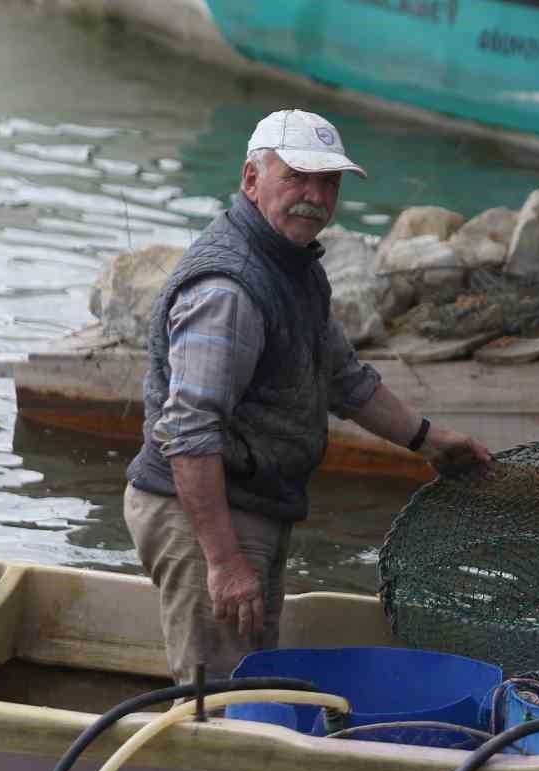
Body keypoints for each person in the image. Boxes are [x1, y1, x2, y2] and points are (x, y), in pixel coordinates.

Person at [124, 108, 492, 684]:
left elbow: (344, 378)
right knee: (218, 698)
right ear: (251, 178)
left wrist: (429, 441)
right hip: (202, 514)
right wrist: (222, 562)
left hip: (253, 503)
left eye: (328, 183)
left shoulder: (295, 267)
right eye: (296, 177)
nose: (314, 197)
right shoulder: (229, 288)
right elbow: (188, 433)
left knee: (250, 675)